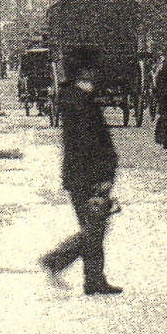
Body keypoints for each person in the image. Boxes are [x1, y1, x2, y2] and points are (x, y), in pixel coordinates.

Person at [40, 46, 122, 296]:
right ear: (85, 72)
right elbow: (90, 144)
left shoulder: (75, 99)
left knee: (94, 225)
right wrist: (102, 176)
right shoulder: (82, 103)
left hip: (79, 174)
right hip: (87, 175)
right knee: (94, 227)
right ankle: (58, 261)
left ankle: (94, 280)